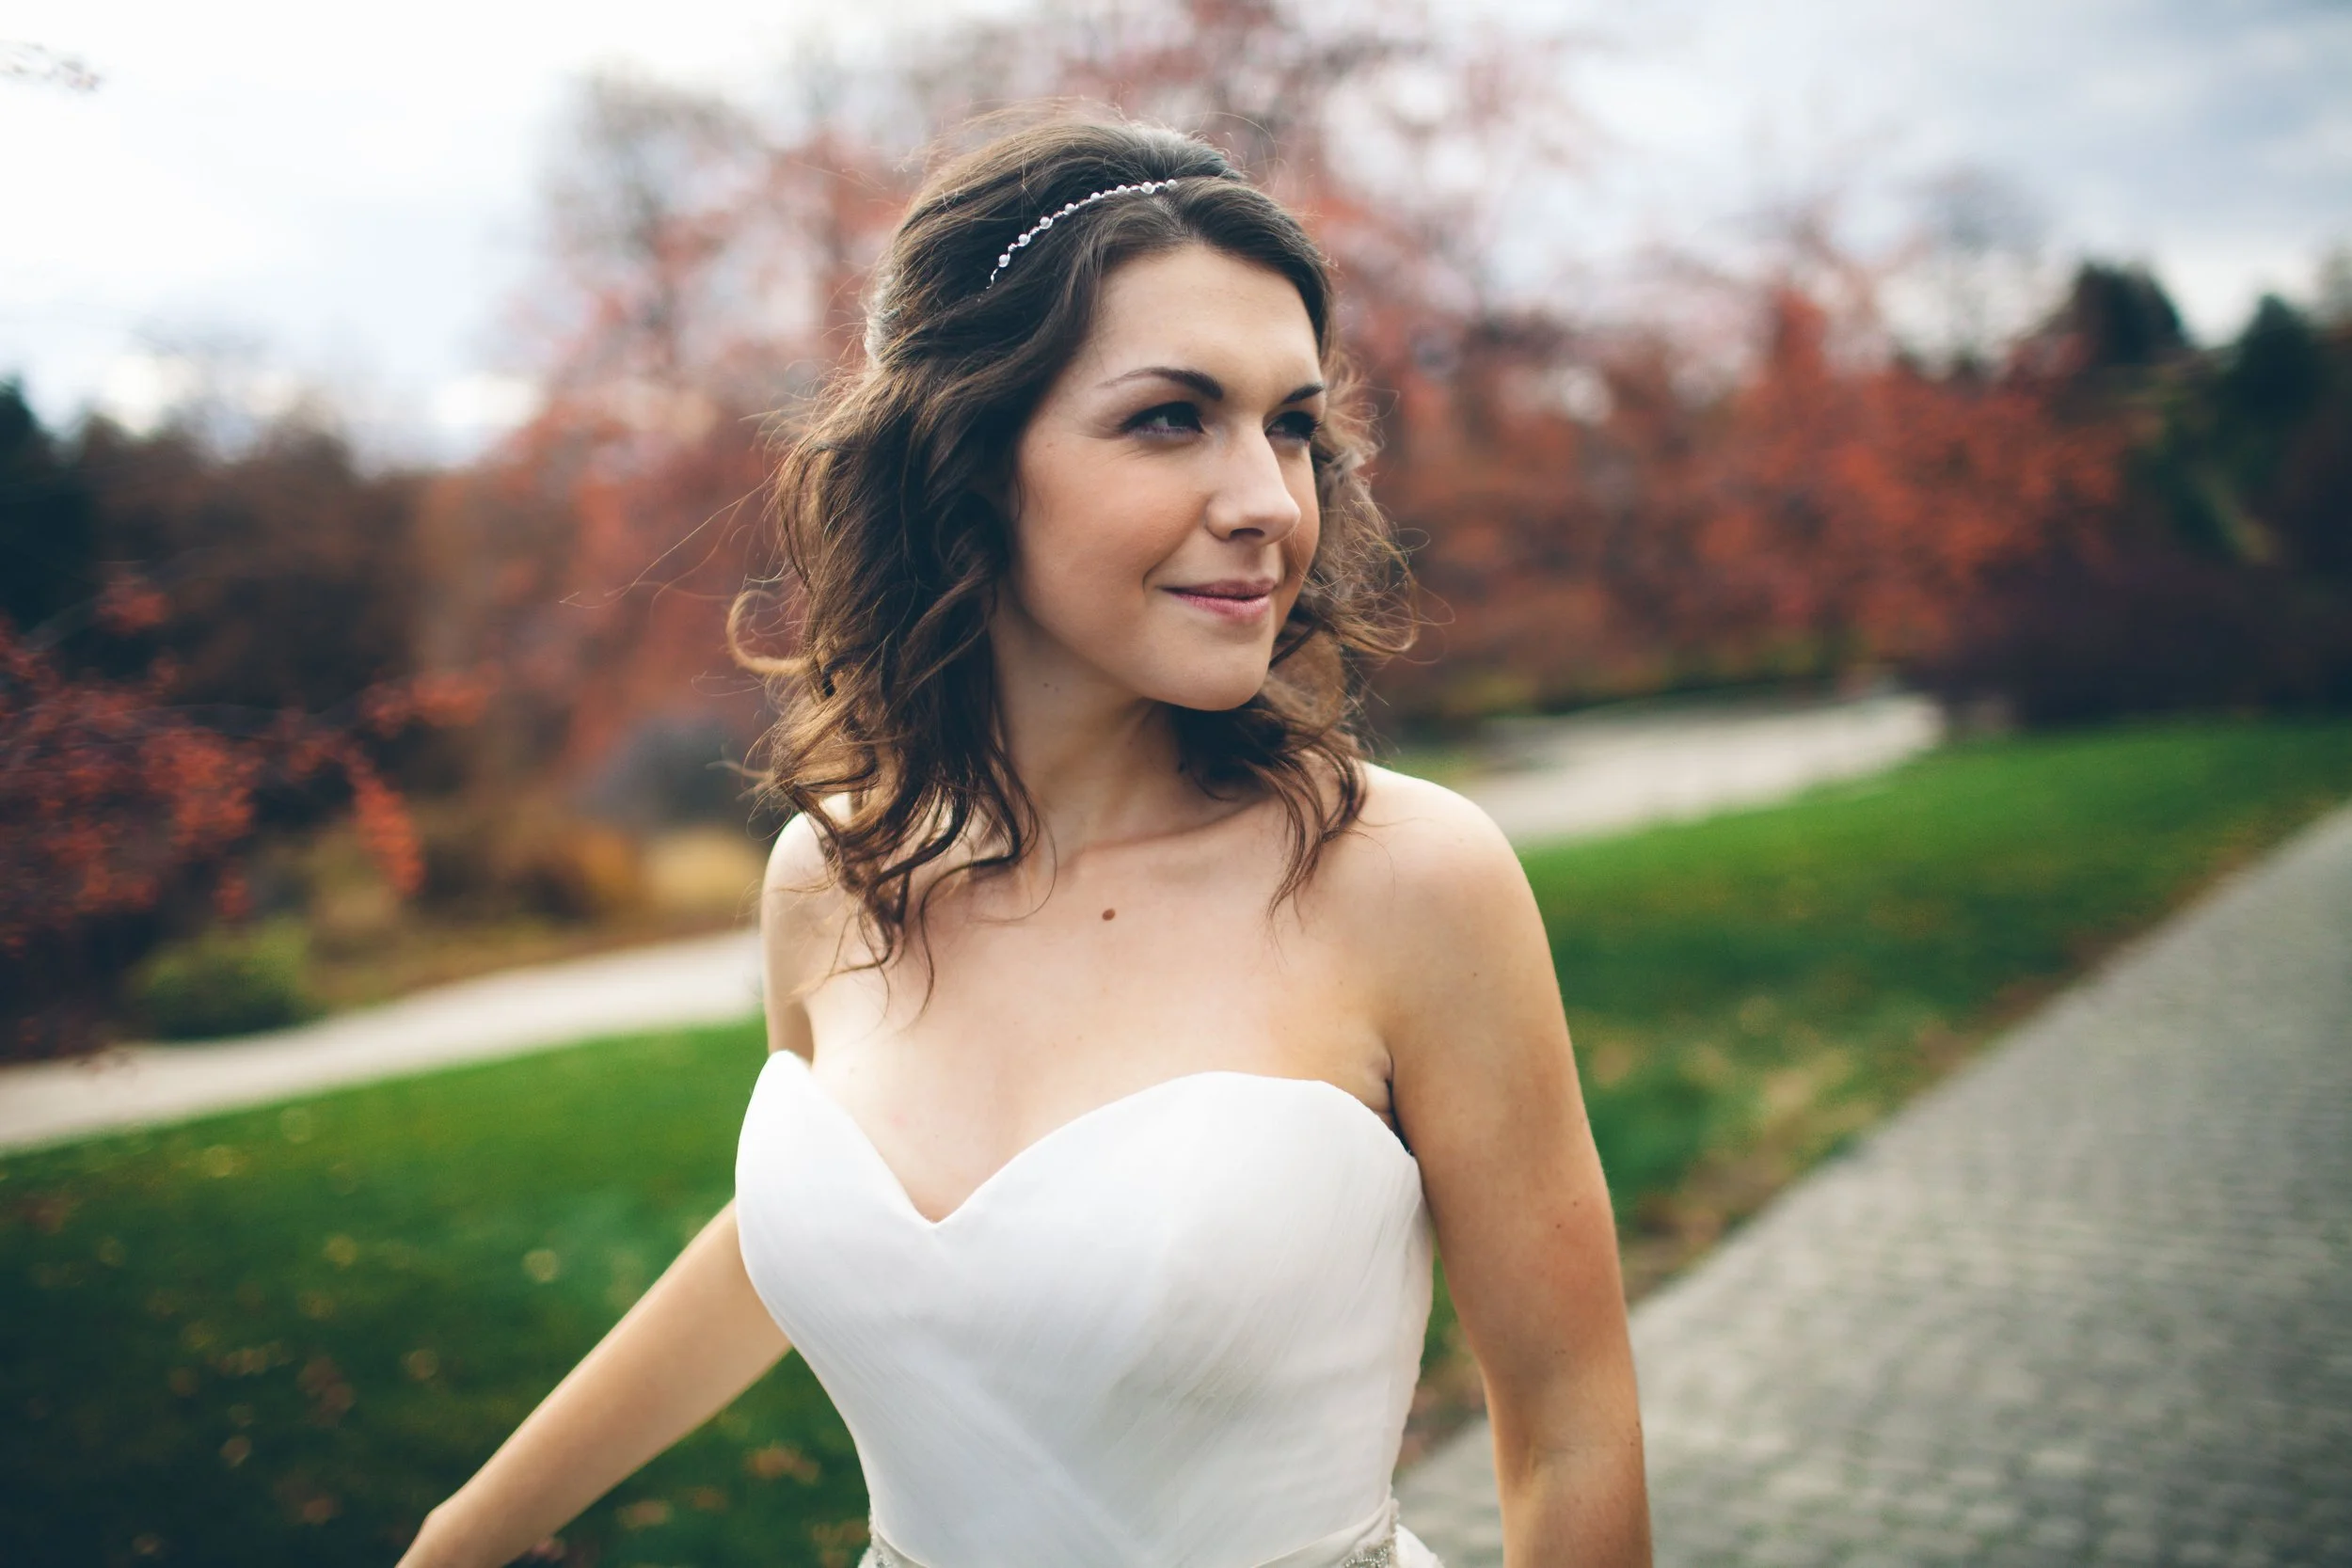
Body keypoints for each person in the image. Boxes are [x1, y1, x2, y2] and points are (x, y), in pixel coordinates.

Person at [397, 113, 1648, 1568]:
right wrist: (466, 1533)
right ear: (971, 461)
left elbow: (1569, 1427)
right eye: (1172, 415)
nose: (1266, 501)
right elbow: (828, 1238)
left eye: (1291, 423)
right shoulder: (828, 881)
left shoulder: (1408, 880)